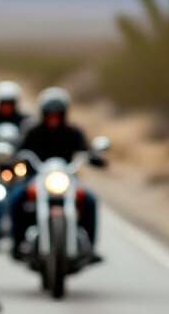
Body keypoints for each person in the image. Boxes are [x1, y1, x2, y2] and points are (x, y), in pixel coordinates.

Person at [9, 87, 103, 260]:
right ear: (43, 114)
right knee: (16, 198)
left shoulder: (73, 132)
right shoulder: (33, 131)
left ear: (64, 114)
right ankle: (18, 244)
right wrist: (15, 158)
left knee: (90, 200)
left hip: (67, 179)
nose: (53, 119)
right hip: (37, 177)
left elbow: (86, 150)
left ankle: (90, 247)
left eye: (57, 115)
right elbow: (19, 151)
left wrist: (94, 157)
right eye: (50, 115)